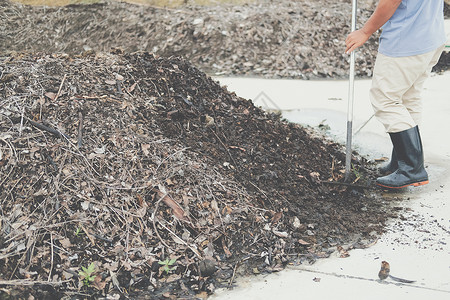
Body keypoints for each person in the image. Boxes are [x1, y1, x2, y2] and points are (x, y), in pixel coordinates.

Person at [345, 0, 446, 189]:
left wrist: (365, 31)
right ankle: (402, 160)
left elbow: (390, 2)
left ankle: (411, 170)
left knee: (385, 99)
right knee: (408, 97)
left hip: (406, 41)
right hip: (431, 36)